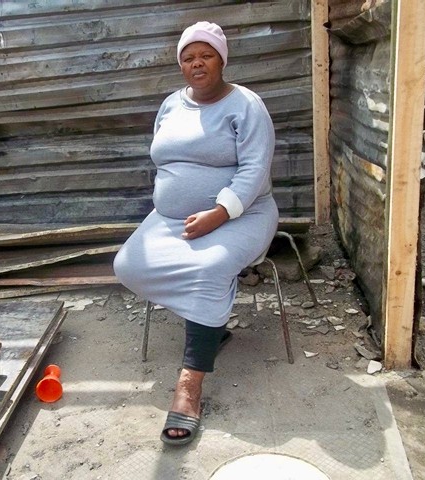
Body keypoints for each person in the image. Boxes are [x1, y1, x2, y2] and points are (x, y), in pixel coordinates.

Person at [113, 21, 278, 446]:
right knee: (129, 265)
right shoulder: (170, 104)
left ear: (222, 58)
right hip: (171, 219)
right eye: (188, 57)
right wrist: (174, 201)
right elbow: (165, 160)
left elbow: (255, 170)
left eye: (205, 54)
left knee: (208, 269)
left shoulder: (246, 105)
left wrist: (218, 213)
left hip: (243, 214)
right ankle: (210, 326)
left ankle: (189, 387)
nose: (196, 63)